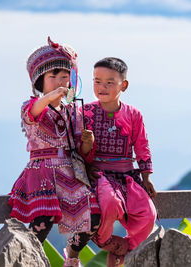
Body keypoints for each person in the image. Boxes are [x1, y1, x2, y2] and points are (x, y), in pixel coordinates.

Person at [8, 37, 100, 267]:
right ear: (39, 80)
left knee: (93, 216)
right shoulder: (31, 106)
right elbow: (34, 111)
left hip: (70, 172)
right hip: (42, 173)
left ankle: (72, 252)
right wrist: (53, 95)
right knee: (41, 222)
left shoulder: (74, 111)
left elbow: (80, 148)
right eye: (53, 76)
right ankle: (29, 262)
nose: (60, 81)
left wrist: (88, 143)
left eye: (64, 76)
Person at [83, 57, 157, 266]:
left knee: (148, 213)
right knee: (109, 203)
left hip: (127, 176)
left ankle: (126, 247)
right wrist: (86, 146)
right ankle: (105, 241)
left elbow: (142, 146)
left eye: (109, 82)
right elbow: (77, 150)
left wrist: (146, 177)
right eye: (97, 81)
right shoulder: (84, 112)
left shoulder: (134, 115)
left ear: (123, 85)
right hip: (98, 175)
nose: (102, 87)